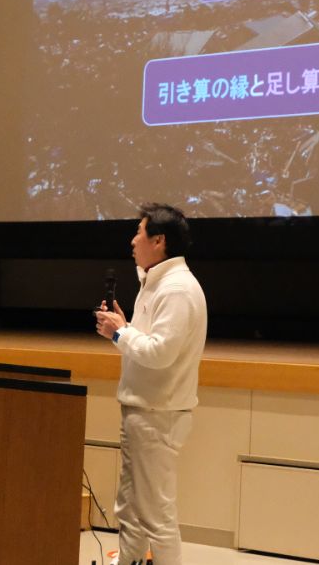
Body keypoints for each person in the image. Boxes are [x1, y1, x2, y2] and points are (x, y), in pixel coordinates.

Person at [95, 203, 207, 565]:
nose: (132, 241)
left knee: (157, 515)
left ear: (158, 241)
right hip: (143, 409)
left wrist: (120, 333)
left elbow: (160, 353)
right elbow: (149, 343)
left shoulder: (176, 289)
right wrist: (125, 328)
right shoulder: (155, 281)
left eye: (139, 233)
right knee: (132, 510)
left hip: (157, 415)